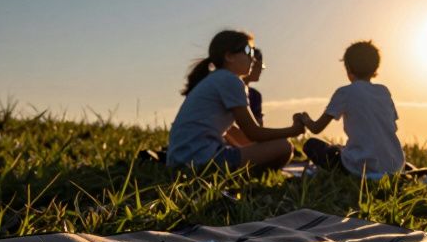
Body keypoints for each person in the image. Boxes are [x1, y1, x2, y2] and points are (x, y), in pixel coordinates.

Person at [168, 29, 304, 171]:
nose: (253, 58)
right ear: (229, 56)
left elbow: (241, 136)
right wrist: (293, 130)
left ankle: (242, 174)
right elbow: (253, 132)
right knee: (284, 147)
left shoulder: (215, 79)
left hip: (180, 161)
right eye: (248, 51)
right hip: (201, 161)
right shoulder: (230, 80)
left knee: (267, 147)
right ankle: (246, 177)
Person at [295, 40, 405, 178]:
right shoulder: (384, 92)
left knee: (311, 145)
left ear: (348, 68)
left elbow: (316, 128)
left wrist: (305, 119)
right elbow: (391, 128)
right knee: (342, 149)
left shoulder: (344, 92)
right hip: (394, 165)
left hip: (359, 167)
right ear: (375, 68)